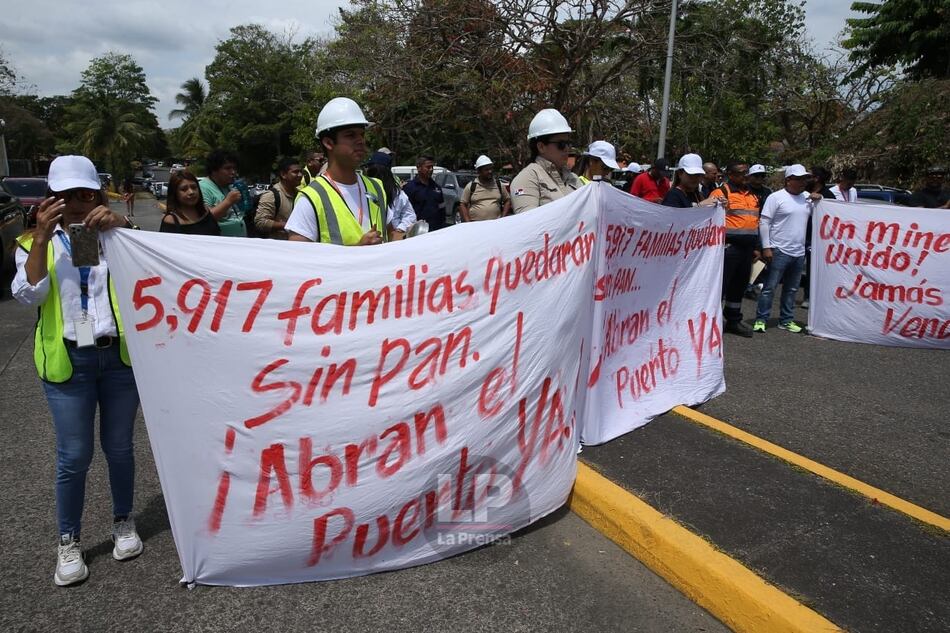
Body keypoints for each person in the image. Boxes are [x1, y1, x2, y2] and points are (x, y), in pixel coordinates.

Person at [11, 155, 142, 587]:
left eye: (86, 193)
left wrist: (123, 225)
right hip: (70, 361)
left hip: (117, 358)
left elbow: (150, 272)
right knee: (74, 456)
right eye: (67, 195)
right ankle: (68, 540)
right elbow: (29, 295)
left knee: (120, 448)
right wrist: (44, 237)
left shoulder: (112, 235)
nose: (78, 203)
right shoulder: (32, 241)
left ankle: (123, 522)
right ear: (51, 199)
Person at [286, 97, 387, 246]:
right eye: (351, 135)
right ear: (328, 143)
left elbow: (393, 232)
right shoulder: (312, 198)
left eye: (362, 134)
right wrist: (358, 250)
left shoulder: (376, 187)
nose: (361, 141)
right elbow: (299, 261)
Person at [753, 164, 822, 333]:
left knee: (791, 289)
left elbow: (820, 214)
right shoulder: (776, 197)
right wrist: (767, 247)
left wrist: (819, 199)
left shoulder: (807, 197)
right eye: (798, 179)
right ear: (788, 180)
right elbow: (764, 222)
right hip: (779, 249)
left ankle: (786, 319)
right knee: (769, 287)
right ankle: (761, 319)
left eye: (804, 179)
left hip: (799, 252)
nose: (802, 182)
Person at [709, 162, 760, 337]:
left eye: (747, 173)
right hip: (728, 248)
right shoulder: (721, 192)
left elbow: (755, 221)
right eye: (741, 173)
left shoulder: (752, 195)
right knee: (720, 287)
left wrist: (756, 246)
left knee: (739, 287)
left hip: (747, 250)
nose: (746, 176)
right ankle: (711, 322)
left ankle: (733, 320)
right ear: (730, 174)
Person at [510, 108, 580, 213]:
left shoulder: (573, 178)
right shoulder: (527, 179)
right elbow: (529, 224)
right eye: (561, 144)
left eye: (568, 143)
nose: (567, 148)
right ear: (541, 147)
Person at [364, 151, 416, 239]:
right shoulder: (366, 190)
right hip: (369, 238)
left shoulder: (397, 194)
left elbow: (410, 216)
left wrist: (399, 229)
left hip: (392, 240)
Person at [198, 149, 245, 236]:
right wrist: (228, 201)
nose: (233, 172)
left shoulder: (230, 186)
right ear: (214, 170)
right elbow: (206, 219)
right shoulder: (203, 187)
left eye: (234, 168)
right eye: (227, 168)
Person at [160, 171, 221, 236]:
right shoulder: (170, 220)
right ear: (175, 194)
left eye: (194, 187)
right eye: (184, 189)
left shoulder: (205, 211)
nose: (191, 192)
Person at [254, 157, 303, 239]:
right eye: (295, 172)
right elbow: (260, 222)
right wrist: (286, 225)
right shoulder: (271, 195)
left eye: (301, 172)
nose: (300, 175)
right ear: (283, 174)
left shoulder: (300, 194)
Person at [460, 155, 511, 221]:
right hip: (476, 225)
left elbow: (507, 200)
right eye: (486, 169)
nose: (490, 171)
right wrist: (468, 222)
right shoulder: (471, 186)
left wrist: (503, 217)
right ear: (479, 171)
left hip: (495, 224)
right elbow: (462, 204)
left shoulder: (499, 185)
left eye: (491, 169)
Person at [403, 155, 447, 230]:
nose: (431, 169)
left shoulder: (437, 188)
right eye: (428, 167)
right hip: (418, 231)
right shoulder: (410, 187)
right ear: (419, 168)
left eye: (432, 167)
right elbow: (405, 212)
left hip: (436, 231)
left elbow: (442, 210)